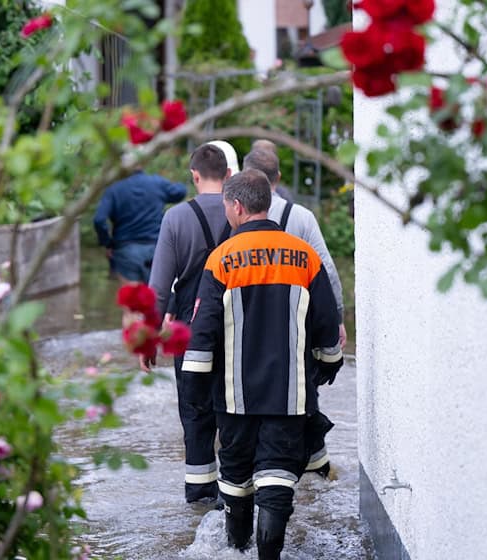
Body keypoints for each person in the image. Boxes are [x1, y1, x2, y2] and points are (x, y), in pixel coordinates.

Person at [181, 169, 343, 559]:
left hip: (234, 401)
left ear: (236, 206)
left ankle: (237, 549)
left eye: (226, 206)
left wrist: (195, 391)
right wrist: (327, 365)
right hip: (290, 398)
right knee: (278, 479)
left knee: (236, 481)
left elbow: (201, 333)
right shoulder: (303, 256)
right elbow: (327, 326)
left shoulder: (221, 259)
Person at [242, 146, 347, 478]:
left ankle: (258, 467)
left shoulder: (235, 212)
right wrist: (337, 317)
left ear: (245, 177)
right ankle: (315, 469)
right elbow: (326, 270)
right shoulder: (301, 217)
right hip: (297, 322)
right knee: (304, 391)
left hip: (249, 321)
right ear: (279, 178)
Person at [143, 143, 231, 504]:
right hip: (235, 330)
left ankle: (198, 500)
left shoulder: (176, 219)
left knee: (195, 415)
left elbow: (159, 288)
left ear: (194, 175)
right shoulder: (241, 213)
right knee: (234, 412)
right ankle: (237, 498)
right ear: (228, 175)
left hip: (190, 333)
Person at [93, 169, 186, 284]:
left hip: (126, 252)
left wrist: (107, 243)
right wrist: (176, 183)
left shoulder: (114, 189)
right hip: (156, 249)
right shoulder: (157, 183)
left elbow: (99, 220)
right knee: (157, 296)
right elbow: (180, 192)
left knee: (132, 299)